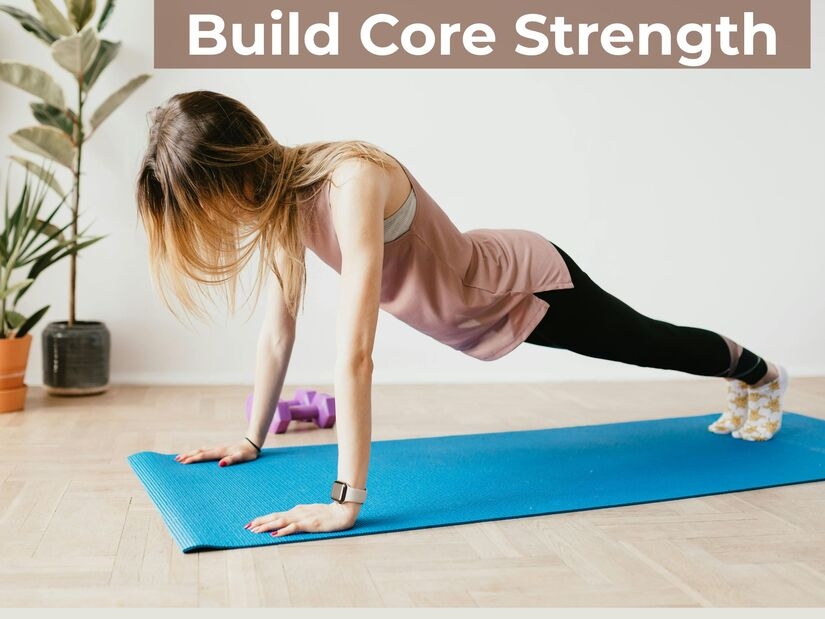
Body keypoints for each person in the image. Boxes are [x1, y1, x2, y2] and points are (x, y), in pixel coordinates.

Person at [135, 91, 789, 538]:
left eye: (206, 202)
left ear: (236, 170)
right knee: (647, 342)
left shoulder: (349, 182)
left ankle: (757, 372)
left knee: (649, 343)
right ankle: (749, 375)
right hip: (471, 316)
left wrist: (344, 503)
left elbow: (355, 353)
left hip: (523, 288)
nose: (213, 221)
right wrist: (251, 438)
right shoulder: (275, 201)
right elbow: (278, 329)